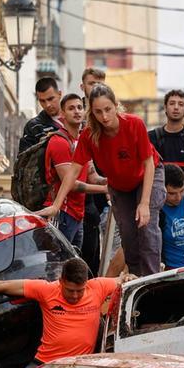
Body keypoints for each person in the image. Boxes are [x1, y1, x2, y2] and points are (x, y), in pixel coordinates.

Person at [0, 257, 128, 364]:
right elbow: (2, 285)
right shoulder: (46, 290)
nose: (74, 296)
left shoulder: (98, 287)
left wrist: (130, 277)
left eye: (79, 291)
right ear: (61, 280)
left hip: (78, 367)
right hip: (44, 365)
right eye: (70, 290)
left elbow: (127, 281)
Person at [74, 84, 166, 276]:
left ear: (116, 105)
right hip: (119, 185)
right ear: (92, 112)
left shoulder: (134, 124)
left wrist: (144, 203)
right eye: (98, 112)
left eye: (108, 109)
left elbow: (148, 164)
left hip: (148, 175)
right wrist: (56, 204)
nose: (104, 116)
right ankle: (135, 277)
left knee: (146, 227)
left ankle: (152, 277)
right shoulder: (89, 135)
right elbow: (73, 170)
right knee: (128, 234)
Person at [34, 93, 106, 249]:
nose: (77, 111)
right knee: (58, 264)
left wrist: (110, 181)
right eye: (71, 108)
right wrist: (105, 189)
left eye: (80, 107)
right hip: (61, 213)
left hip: (77, 214)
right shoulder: (58, 142)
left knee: (72, 266)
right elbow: (72, 184)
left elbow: (93, 176)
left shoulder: (83, 141)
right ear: (62, 114)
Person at [79, 67, 109, 275]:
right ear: (83, 87)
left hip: (105, 191)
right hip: (83, 195)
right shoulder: (75, 111)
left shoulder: (109, 114)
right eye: (92, 83)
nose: (97, 87)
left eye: (101, 83)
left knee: (103, 251)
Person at [18, 77, 64, 156]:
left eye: (50, 99)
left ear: (59, 94)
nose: (47, 105)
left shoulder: (75, 118)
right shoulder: (32, 127)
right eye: (42, 101)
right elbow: (23, 160)